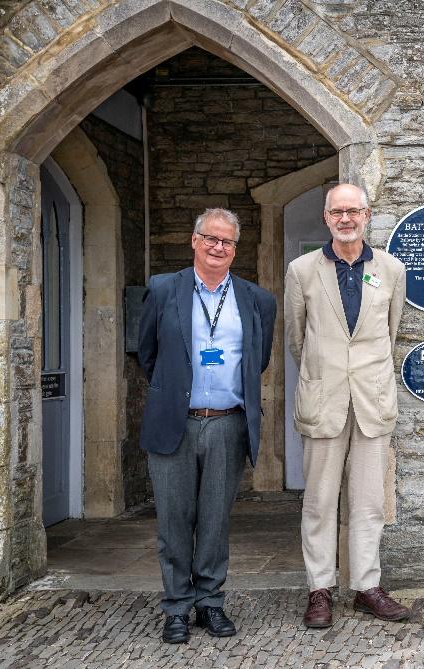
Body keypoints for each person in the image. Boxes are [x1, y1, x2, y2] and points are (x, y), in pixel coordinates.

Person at [138, 208, 277, 643]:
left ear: (236, 249)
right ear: (194, 241)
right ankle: (176, 607)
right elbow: (146, 354)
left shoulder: (257, 300)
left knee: (215, 521)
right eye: (211, 239)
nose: (219, 247)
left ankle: (210, 603)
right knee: (174, 522)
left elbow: (260, 359)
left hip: (227, 425)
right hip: (175, 423)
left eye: (228, 242)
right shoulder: (163, 289)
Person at [285, 183, 409, 628]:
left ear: (366, 214)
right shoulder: (302, 270)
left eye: (353, 211)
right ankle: (319, 588)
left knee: (369, 501)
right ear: (326, 217)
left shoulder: (392, 270)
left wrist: (361, 374)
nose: (345, 219)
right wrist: (328, 372)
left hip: (372, 402)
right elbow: (299, 339)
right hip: (324, 401)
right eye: (337, 212)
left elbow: (388, 336)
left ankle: (366, 587)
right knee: (318, 500)